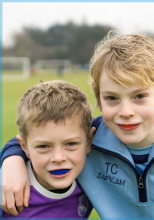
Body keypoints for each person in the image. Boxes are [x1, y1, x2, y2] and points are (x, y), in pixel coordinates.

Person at [1, 32, 154, 218]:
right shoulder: (80, 152)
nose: (59, 158)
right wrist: (11, 161)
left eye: (140, 96)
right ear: (100, 99)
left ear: (88, 141)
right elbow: (32, 139)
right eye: (112, 98)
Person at [1, 80, 94, 218]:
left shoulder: (95, 173)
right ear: (24, 147)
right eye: (43, 146)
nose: (58, 158)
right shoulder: (7, 187)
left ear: (89, 141)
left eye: (71, 144)